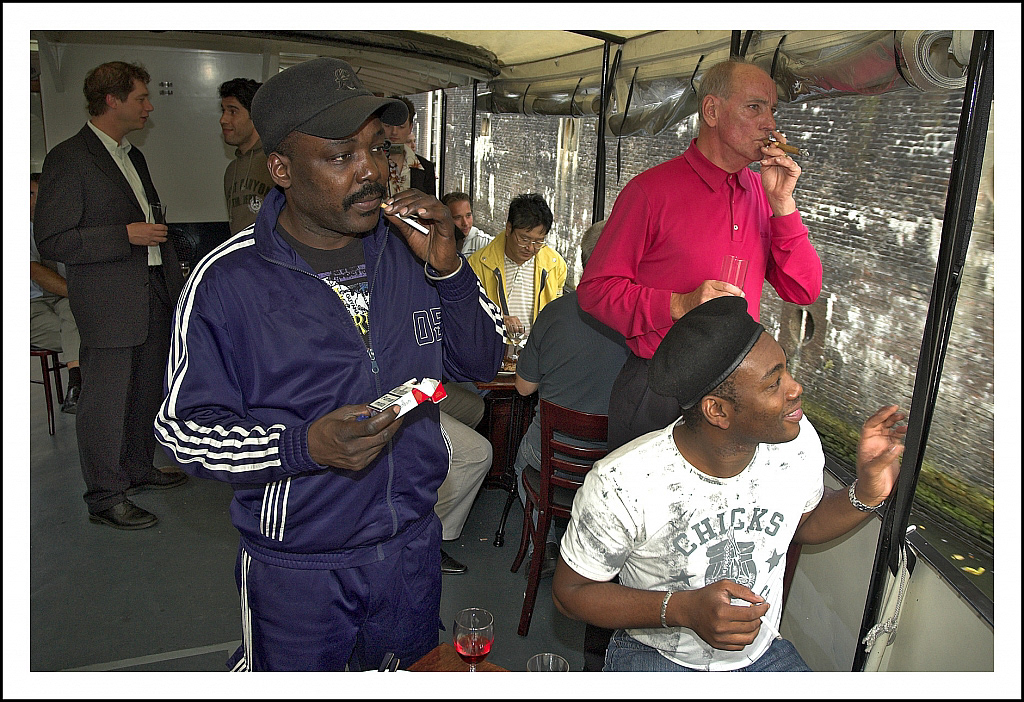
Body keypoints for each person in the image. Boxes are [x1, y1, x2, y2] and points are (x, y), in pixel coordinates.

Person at [153, 57, 504, 672]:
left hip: (409, 551)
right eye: (340, 156)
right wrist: (302, 446)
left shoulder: (413, 251)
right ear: (282, 169)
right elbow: (182, 432)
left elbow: (482, 359)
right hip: (299, 568)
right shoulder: (227, 282)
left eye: (378, 148)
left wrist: (450, 272)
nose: (370, 171)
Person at [552, 296, 906, 672]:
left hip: (761, 653)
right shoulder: (623, 484)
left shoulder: (797, 443)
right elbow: (570, 594)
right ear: (718, 410)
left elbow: (802, 523)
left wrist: (868, 492)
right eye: (774, 383)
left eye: (787, 371)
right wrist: (681, 609)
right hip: (657, 652)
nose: (796, 388)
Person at [576, 58, 823, 451]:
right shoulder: (649, 192)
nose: (770, 124)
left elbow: (804, 290)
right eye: (754, 107)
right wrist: (679, 303)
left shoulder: (764, 194)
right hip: (660, 390)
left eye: (772, 110)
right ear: (711, 111)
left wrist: (784, 204)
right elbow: (594, 291)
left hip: (736, 393)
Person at [34, 60, 187, 531]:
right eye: (141, 98)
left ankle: (137, 467)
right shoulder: (69, 157)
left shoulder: (132, 156)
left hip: (151, 291)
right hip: (107, 302)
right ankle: (105, 496)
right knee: (106, 400)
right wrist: (124, 235)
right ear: (112, 100)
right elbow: (53, 239)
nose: (149, 106)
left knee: (146, 390)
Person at [511, 219, 629, 578]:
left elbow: (523, 388)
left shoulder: (555, 313)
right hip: (614, 461)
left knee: (522, 461)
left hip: (553, 457)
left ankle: (543, 545)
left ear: (583, 260)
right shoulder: (641, 321)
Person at [467, 193, 566, 345]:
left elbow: (557, 314)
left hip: (537, 350)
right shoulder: (477, 264)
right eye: (524, 239)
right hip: (494, 348)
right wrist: (499, 319)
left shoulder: (555, 265)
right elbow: (469, 313)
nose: (530, 248)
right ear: (509, 228)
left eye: (539, 241)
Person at [30, 172, 83, 414]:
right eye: (29, 194)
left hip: (57, 298)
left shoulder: (56, 228)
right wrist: (81, 294)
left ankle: (76, 386)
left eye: (37, 195)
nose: (33, 200)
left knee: (75, 315)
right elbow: (35, 271)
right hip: (27, 305)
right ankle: (82, 385)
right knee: (88, 334)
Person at [219, 77, 276, 234]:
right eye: (223, 111)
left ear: (255, 115)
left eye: (233, 111)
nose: (223, 120)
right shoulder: (231, 170)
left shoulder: (276, 162)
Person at [385, 95, 437, 197]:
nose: (394, 132)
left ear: (410, 128)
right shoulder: (369, 163)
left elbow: (431, 203)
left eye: (401, 127)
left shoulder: (426, 168)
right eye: (388, 125)